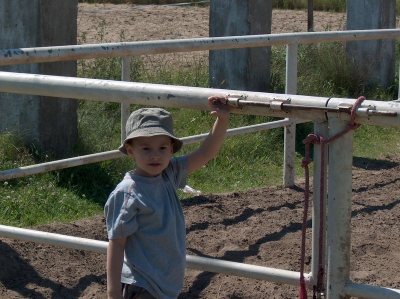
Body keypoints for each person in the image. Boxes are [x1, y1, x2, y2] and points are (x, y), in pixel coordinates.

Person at [104, 96, 230, 299]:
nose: (155, 155)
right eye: (146, 148)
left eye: (162, 148)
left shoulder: (169, 173)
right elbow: (117, 244)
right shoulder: (127, 193)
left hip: (166, 283)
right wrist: (113, 293)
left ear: (171, 150)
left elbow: (206, 152)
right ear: (130, 151)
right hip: (142, 284)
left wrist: (222, 119)